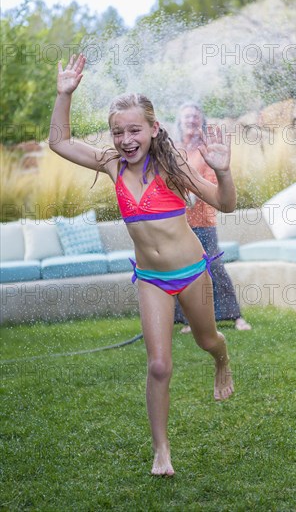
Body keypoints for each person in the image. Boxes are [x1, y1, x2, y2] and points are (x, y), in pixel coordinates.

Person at [49, 54, 236, 477]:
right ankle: (162, 451)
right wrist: (64, 95)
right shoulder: (112, 164)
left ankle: (222, 360)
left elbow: (224, 203)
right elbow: (59, 142)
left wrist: (223, 173)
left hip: (192, 274)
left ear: (153, 129)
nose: (126, 139)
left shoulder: (173, 169)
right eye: (118, 132)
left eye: (135, 130)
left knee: (207, 341)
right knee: (158, 365)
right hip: (151, 279)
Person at [174, 103, 252, 333]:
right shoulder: (175, 148)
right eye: (187, 117)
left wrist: (194, 196)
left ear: (201, 122)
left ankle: (234, 316)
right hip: (179, 220)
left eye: (195, 117)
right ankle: (189, 319)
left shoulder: (205, 147)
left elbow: (212, 179)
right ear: (180, 121)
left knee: (213, 265)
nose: (191, 121)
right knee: (185, 269)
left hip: (203, 218)